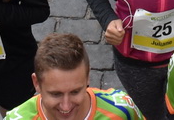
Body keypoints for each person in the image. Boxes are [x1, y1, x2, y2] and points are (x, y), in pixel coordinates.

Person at [8, 32, 143, 120]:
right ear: (36, 83)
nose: (66, 106)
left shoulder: (123, 110)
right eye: (56, 94)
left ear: (87, 77)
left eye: (75, 92)